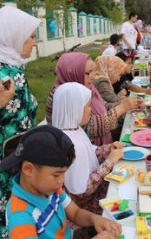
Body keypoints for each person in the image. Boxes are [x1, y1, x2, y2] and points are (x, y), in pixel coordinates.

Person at [0, 125, 121, 239]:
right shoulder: (20, 218)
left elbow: (75, 213)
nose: (62, 180)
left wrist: (95, 219)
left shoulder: (48, 188)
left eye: (64, 173)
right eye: (56, 174)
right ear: (28, 169)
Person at [52, 82, 123, 216]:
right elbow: (83, 190)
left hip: (90, 198)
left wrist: (109, 148)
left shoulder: (73, 128)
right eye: (88, 105)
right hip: (85, 208)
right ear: (75, 108)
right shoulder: (68, 144)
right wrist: (109, 162)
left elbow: (89, 151)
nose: (91, 109)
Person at [0, 6, 40, 238]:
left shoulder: (14, 67)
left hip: (15, 160)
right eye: (31, 37)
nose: (34, 43)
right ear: (13, 34)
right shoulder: (5, 72)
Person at [46, 52, 141, 146]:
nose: (93, 76)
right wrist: (122, 108)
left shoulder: (86, 87)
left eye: (93, 71)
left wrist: (123, 103)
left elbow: (104, 105)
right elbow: (89, 127)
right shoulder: (64, 95)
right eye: (88, 73)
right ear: (73, 72)